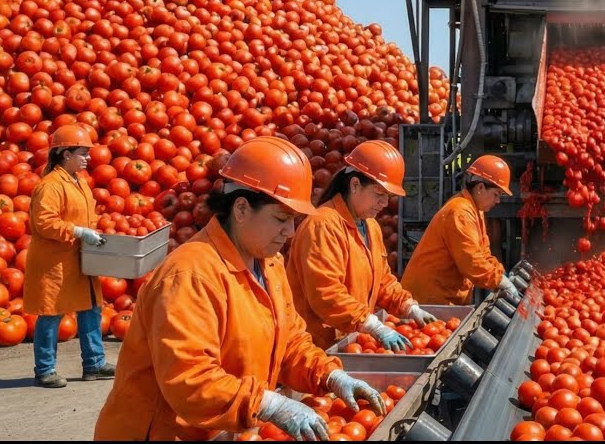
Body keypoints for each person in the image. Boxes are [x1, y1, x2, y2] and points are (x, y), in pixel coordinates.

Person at [94, 137, 383, 441]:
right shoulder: (191, 275)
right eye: (281, 219)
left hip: (220, 430)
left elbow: (289, 342)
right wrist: (267, 404)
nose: (290, 232)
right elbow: (191, 381)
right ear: (242, 209)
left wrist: (328, 374)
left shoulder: (268, 265)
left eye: (294, 220)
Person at [287, 140, 438, 352]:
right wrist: (371, 324)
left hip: (348, 342)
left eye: (388, 196)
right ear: (355, 185)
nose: (385, 203)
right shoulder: (322, 226)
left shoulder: (370, 226)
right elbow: (326, 294)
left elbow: (382, 280)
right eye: (379, 194)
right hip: (317, 348)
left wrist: (407, 306)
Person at [24, 123, 115, 388]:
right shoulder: (50, 185)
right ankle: (44, 370)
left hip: (77, 258)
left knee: (91, 308)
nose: (88, 158)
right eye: (82, 153)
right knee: (51, 313)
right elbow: (44, 222)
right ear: (65, 154)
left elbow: (83, 217)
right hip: (55, 261)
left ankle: (94, 364)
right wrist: (78, 231)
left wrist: (90, 234)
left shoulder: (79, 183)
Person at [401, 154, 519, 306]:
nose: (498, 201)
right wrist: (500, 281)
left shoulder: (475, 211)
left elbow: (483, 253)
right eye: (496, 194)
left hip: (441, 297)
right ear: (480, 187)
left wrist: (501, 274)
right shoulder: (460, 212)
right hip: (428, 299)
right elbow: (472, 263)